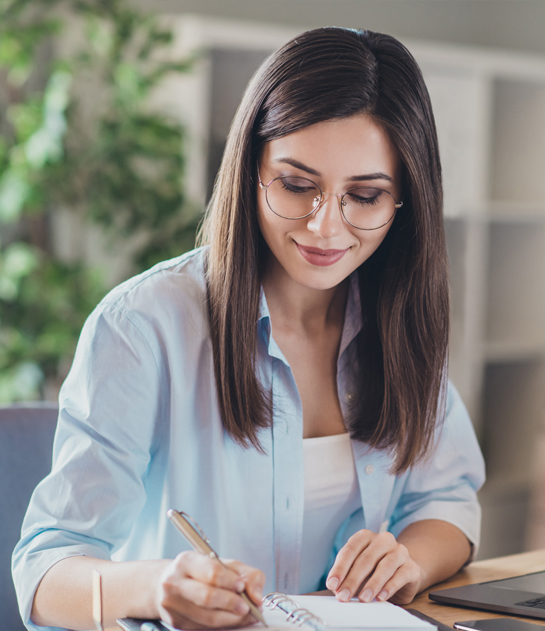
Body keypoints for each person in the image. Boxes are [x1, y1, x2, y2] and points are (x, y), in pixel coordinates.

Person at [13, 26, 485, 631]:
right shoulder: (143, 327)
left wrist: (408, 560)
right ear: (250, 171)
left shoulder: (399, 320)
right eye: (296, 185)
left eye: (364, 196)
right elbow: (44, 570)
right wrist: (160, 588)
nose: (325, 228)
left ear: (404, 202)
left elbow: (447, 501)